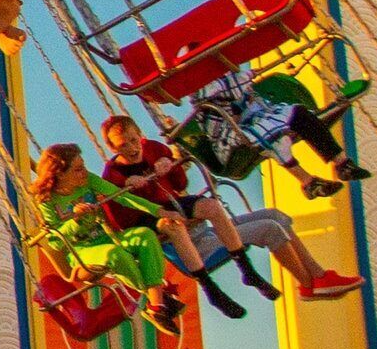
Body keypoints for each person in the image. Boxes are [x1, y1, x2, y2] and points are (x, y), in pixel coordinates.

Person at [98, 113, 358, 306]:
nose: (132, 149)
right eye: (123, 146)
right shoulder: (114, 177)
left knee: (276, 215)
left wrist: (171, 165)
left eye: (134, 141)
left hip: (205, 228)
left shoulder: (153, 149)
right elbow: (128, 227)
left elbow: (180, 184)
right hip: (192, 245)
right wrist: (132, 190)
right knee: (270, 228)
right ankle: (307, 285)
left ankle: (318, 276)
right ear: (113, 148)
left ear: (140, 135)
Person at [29, 144, 175, 324]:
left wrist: (159, 211)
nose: (84, 172)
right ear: (60, 173)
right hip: (81, 252)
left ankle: (156, 306)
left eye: (83, 167)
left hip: (107, 237)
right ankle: (156, 297)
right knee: (115, 255)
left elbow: (122, 196)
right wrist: (76, 221)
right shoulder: (46, 200)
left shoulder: (88, 180)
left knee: (145, 235)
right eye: (78, 169)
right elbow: (56, 242)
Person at [176, 64, 359, 195]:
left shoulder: (228, 76)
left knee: (297, 113)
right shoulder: (201, 91)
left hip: (254, 122)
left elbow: (241, 91)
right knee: (272, 135)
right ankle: (307, 181)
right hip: (230, 141)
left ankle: (341, 162)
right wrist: (246, 76)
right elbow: (232, 90)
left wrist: (245, 79)